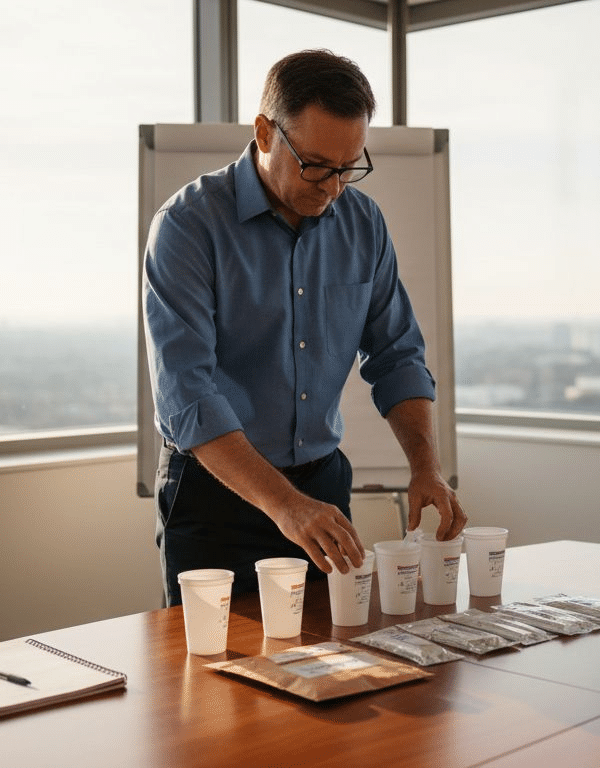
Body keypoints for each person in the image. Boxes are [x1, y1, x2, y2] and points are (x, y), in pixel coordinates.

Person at [143, 49, 466, 606]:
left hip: (322, 487)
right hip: (215, 497)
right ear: (266, 133)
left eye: (349, 167)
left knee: (331, 664)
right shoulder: (186, 227)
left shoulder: (363, 224)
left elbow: (397, 356)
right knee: (212, 679)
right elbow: (187, 397)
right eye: (316, 165)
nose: (334, 187)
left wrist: (426, 468)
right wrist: (286, 506)